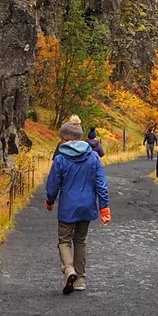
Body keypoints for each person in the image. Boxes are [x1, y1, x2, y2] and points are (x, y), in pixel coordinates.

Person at [43, 115, 109, 294]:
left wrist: (49, 201)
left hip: (68, 206)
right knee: (80, 241)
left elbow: (53, 184)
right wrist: (104, 207)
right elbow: (101, 183)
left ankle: (69, 269)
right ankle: (80, 280)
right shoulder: (93, 157)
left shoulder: (60, 158)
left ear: (65, 139)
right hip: (87, 206)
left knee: (64, 241)